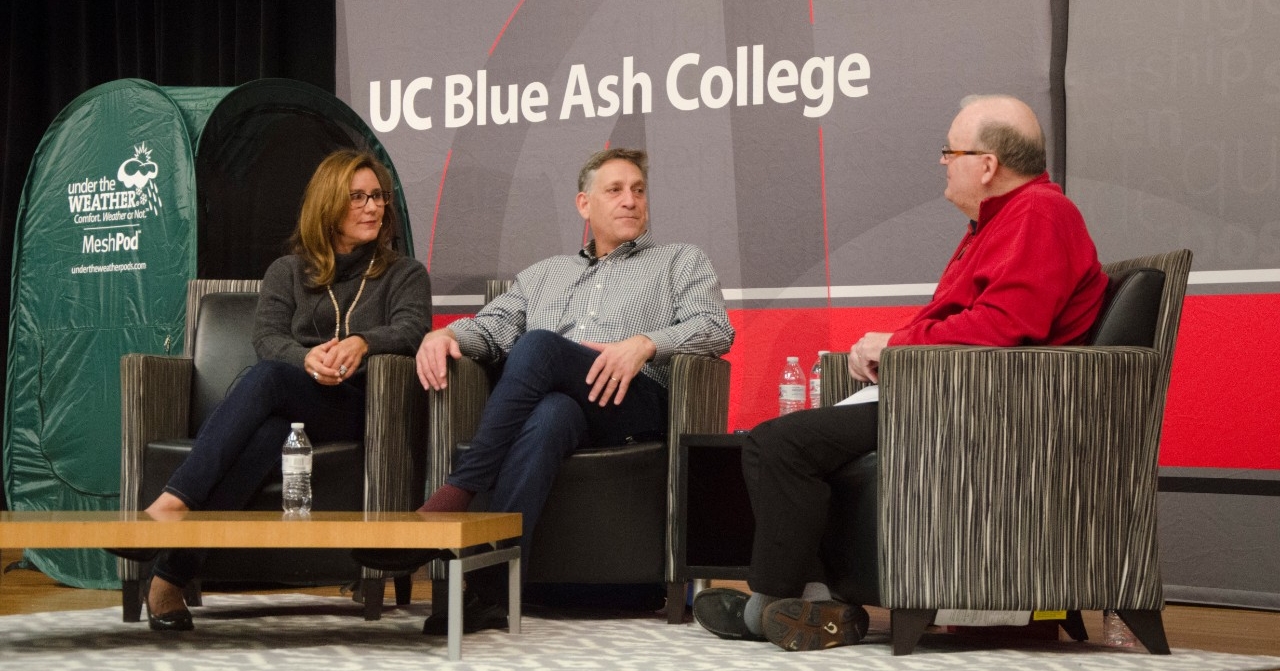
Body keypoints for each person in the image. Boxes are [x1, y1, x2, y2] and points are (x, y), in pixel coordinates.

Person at [692, 94, 1109, 652]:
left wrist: (895, 347)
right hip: (940, 388)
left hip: (978, 404)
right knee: (771, 442)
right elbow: (962, 319)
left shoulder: (1040, 215)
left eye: (949, 151)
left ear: (986, 165)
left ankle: (771, 604)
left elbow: (1004, 327)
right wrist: (891, 348)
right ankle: (811, 603)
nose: (942, 162)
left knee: (779, 445)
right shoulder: (996, 221)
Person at [353, 147, 735, 634]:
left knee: (538, 346)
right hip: (570, 411)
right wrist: (445, 335)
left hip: (636, 403)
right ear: (584, 204)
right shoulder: (544, 274)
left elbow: (715, 327)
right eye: (615, 190)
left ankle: (458, 491)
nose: (630, 201)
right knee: (552, 411)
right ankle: (492, 594)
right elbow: (491, 329)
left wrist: (646, 344)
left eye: (638, 191)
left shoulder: (680, 261)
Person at [113, 149, 433, 632]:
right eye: (358, 197)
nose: (373, 208)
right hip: (297, 394)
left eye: (378, 197)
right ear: (328, 204)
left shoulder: (403, 273)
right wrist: (306, 357)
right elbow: (267, 337)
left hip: (360, 406)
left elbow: (413, 329)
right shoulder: (289, 270)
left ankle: (172, 502)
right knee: (268, 432)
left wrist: (363, 343)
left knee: (265, 380)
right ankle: (170, 578)